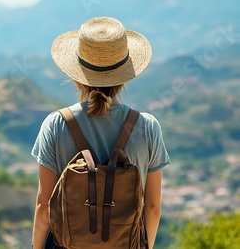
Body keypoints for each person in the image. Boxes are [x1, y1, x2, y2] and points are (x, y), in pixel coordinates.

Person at [31, 17, 171, 249]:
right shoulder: (147, 126)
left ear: (77, 77)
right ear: (125, 76)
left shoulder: (55, 124)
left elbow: (43, 205)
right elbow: (153, 207)